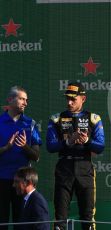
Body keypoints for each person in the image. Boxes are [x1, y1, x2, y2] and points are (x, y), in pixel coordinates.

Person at [46, 82, 105, 230]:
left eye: (74, 99)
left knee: (87, 217)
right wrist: (68, 141)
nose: (69, 102)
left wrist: (86, 141)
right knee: (60, 218)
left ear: (83, 99)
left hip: (85, 168)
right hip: (64, 168)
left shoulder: (94, 118)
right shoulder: (56, 119)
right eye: (67, 99)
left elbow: (100, 147)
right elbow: (50, 146)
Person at [0, 86, 41, 230]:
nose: (25, 103)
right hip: (2, 180)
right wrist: (5, 148)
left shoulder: (30, 124)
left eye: (26, 100)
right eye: (22, 99)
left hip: (23, 182)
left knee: (22, 223)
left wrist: (24, 146)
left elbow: (36, 157)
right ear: (10, 100)